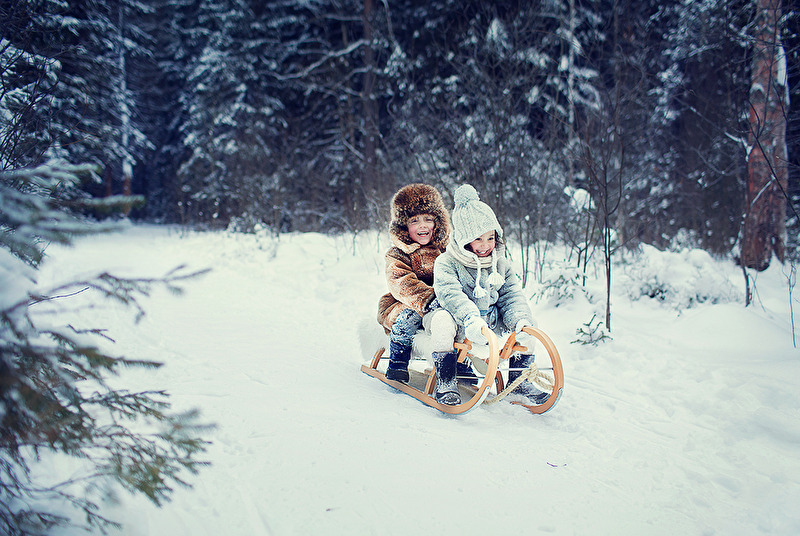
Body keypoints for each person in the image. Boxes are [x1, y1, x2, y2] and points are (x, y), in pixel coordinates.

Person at [428, 184, 550, 406]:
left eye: (490, 238)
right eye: (478, 239)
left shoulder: (500, 264)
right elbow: (450, 294)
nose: (486, 245)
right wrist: (470, 318)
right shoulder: (446, 262)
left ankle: (519, 382)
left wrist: (520, 320)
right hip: (460, 323)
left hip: (491, 324)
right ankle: (446, 381)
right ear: (464, 238)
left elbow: (511, 295)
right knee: (441, 319)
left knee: (529, 323)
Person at [377, 183, 450, 383]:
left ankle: (459, 363)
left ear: (438, 222)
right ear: (403, 227)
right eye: (414, 220)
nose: (422, 226)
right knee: (409, 317)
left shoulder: (446, 252)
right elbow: (400, 281)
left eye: (428, 219)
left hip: (444, 304)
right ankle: (398, 360)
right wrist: (429, 299)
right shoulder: (398, 254)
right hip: (406, 303)